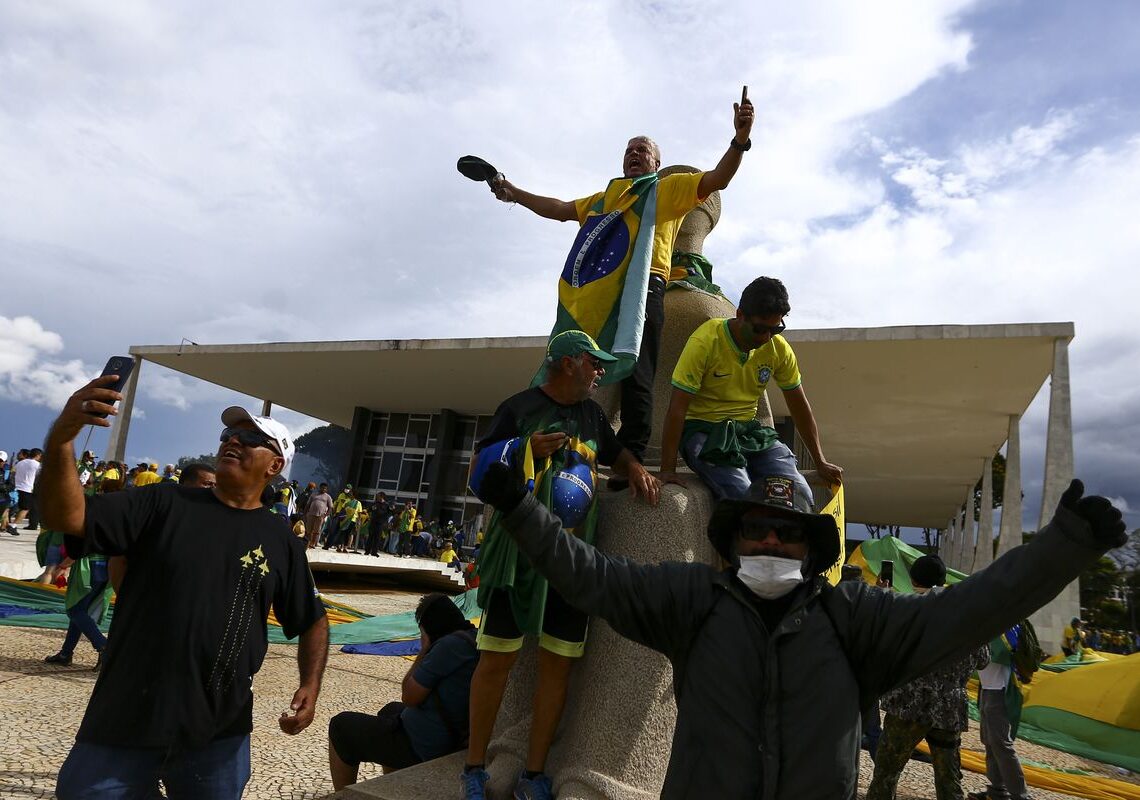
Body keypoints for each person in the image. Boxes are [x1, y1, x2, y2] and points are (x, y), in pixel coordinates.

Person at [471, 457, 1126, 799]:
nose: (771, 542)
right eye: (756, 529)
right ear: (732, 541)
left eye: (787, 534)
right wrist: (522, 511)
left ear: (812, 550)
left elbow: (967, 612)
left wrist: (1064, 546)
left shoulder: (855, 621)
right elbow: (594, 577)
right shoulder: (692, 601)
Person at [42, 378, 330, 800]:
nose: (233, 440)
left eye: (250, 438)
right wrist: (62, 439)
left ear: (274, 466)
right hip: (124, 718)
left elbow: (312, 618)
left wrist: (311, 684)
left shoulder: (280, 539)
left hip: (217, 734)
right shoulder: (162, 503)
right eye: (228, 434)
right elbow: (67, 517)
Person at [488, 92, 755, 466]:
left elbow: (718, 179)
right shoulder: (607, 198)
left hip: (644, 288)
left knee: (637, 374)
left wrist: (740, 140)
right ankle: (563, 436)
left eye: (642, 150)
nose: (634, 154)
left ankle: (629, 455)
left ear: (657, 164)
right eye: (630, 150)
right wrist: (514, 193)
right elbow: (561, 209)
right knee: (579, 364)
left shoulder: (667, 189)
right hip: (600, 291)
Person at [462, 330, 659, 800]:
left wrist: (633, 469)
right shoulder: (518, 407)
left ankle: (534, 773)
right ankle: (473, 766)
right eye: (594, 364)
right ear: (568, 363)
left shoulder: (591, 414)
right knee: (496, 660)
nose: (600, 373)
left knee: (558, 665)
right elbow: (478, 472)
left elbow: (613, 452)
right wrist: (526, 449)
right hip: (519, 556)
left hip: (572, 561)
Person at [659, 276, 842, 501]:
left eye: (775, 329)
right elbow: (677, 409)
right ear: (740, 315)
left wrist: (819, 461)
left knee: (799, 494)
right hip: (704, 431)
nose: (766, 338)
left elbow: (799, 407)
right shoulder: (705, 341)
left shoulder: (778, 349)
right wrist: (667, 470)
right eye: (759, 329)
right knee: (746, 496)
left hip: (748, 432)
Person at [867, 555, 991, 800]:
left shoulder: (904, 608)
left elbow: (881, 643)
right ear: (943, 580)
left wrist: (882, 598)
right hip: (949, 708)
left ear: (913, 578)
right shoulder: (968, 616)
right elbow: (983, 659)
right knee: (949, 780)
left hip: (907, 705)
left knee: (886, 773)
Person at [328, 593, 479, 789]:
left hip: (425, 746)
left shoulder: (447, 647)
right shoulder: (470, 638)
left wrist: (424, 649)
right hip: (451, 734)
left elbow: (409, 696)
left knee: (341, 726)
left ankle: (342, 796)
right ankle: (397, 788)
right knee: (389, 710)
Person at [44, 478, 126, 669]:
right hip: (107, 569)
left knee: (75, 610)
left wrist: (64, 565)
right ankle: (66, 653)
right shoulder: (122, 513)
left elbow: (84, 542)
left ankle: (103, 646)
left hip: (89, 568)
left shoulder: (96, 510)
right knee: (80, 610)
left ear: (102, 490)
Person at [970, 624, 1037, 800]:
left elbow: (999, 653)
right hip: (986, 688)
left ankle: (1020, 796)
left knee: (1001, 743)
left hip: (1000, 690)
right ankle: (997, 791)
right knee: (990, 742)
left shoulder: (1004, 623)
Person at [13, 447, 42, 531]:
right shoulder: (37, 464)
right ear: (38, 455)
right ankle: (13, 526)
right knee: (25, 509)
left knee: (10, 507)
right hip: (27, 489)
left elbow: (13, 472)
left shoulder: (20, 463)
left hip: (16, 487)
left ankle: (5, 525)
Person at [304, 482, 333, 549]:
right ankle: (307, 543)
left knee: (316, 531)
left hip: (320, 516)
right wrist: (305, 514)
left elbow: (330, 507)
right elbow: (308, 504)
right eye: (322, 488)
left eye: (325, 488)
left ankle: (313, 543)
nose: (323, 489)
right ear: (320, 488)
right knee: (308, 530)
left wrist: (325, 516)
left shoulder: (328, 497)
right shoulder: (314, 494)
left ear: (327, 489)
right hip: (311, 514)